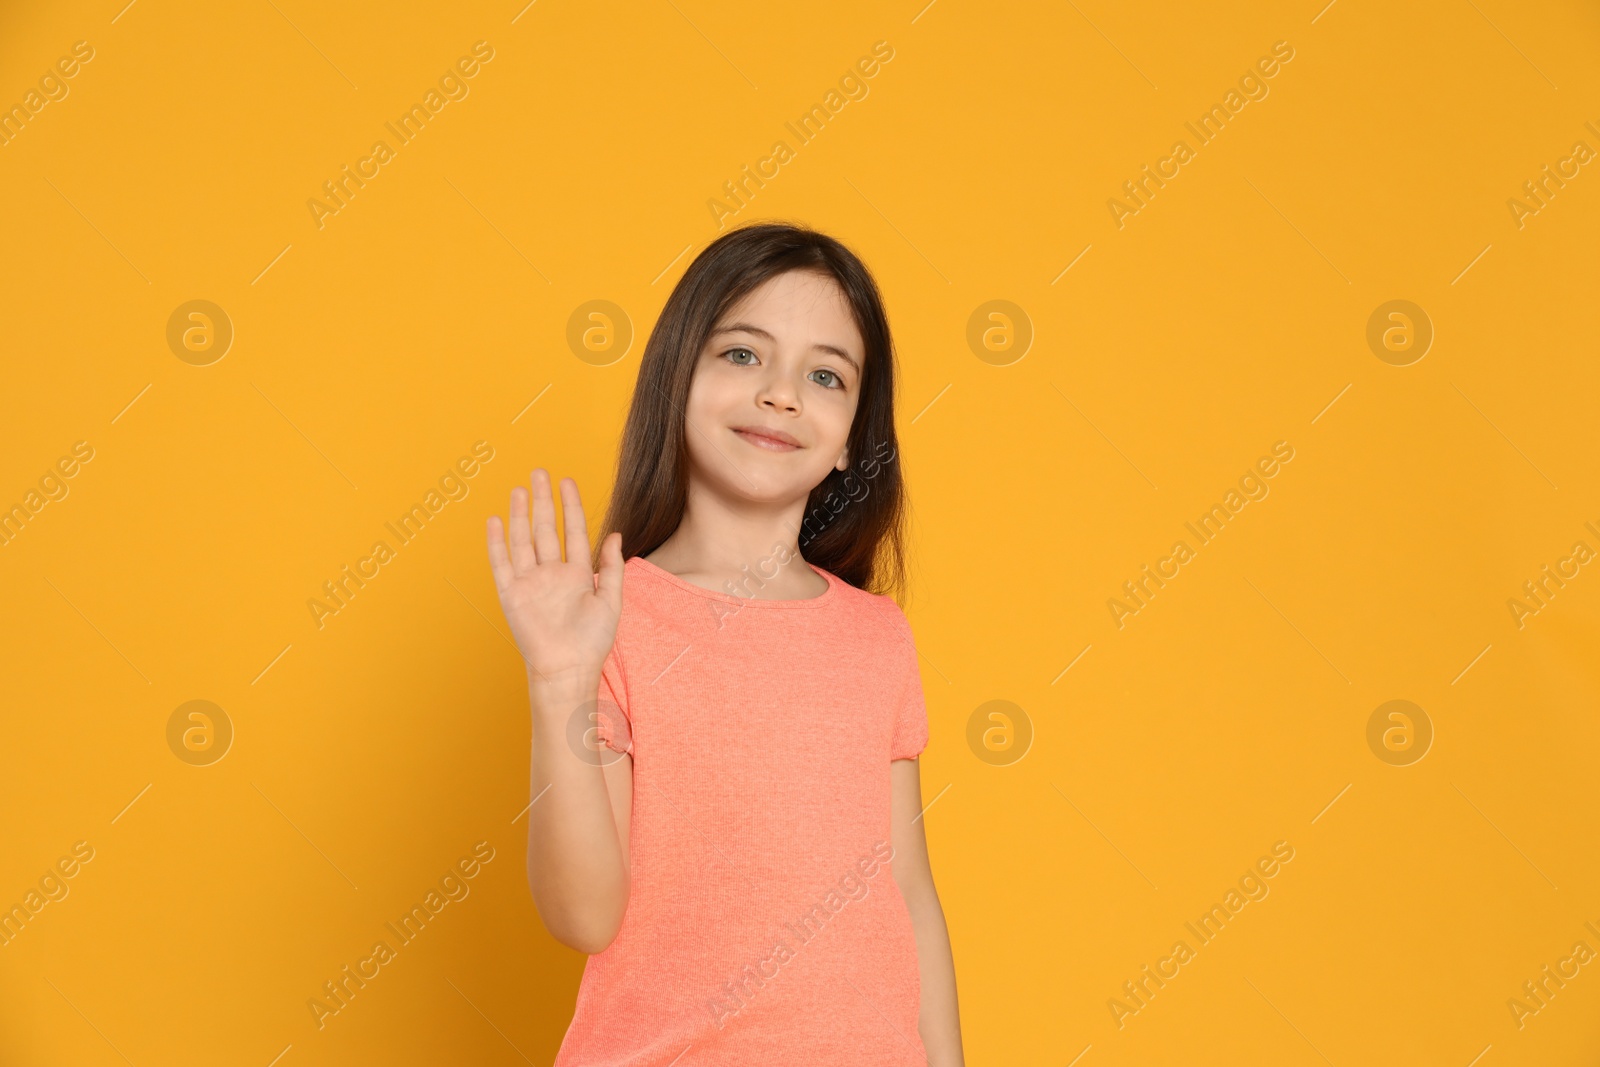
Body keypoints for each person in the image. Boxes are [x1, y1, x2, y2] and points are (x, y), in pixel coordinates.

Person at [484, 221, 964, 1065]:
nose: (781, 393)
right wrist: (562, 679)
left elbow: (909, 888)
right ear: (678, 380)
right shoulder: (610, 622)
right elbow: (584, 915)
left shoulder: (878, 636)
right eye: (743, 354)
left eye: (824, 375)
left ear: (855, 434)